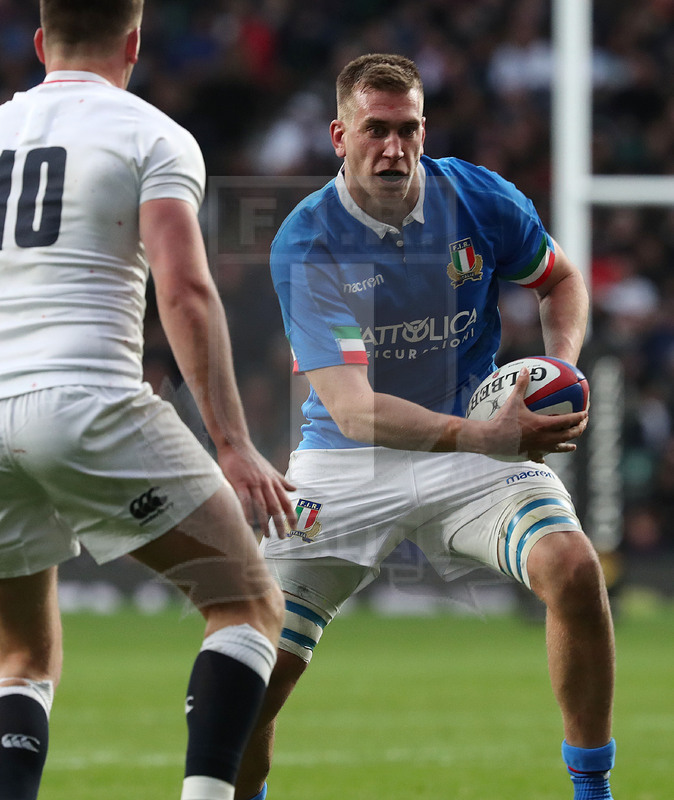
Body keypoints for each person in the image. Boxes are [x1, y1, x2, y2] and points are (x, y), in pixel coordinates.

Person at [235, 54, 617, 800]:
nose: (394, 148)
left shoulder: (478, 199)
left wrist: (558, 371)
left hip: (475, 445)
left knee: (574, 570)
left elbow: (561, 281)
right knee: (250, 678)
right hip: (348, 460)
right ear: (340, 135)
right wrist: (486, 437)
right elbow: (353, 410)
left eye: (408, 129)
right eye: (376, 130)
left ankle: (593, 792)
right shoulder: (308, 241)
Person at [0, 2, 298, 799]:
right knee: (247, 604)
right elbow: (186, 289)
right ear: (133, 42)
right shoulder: (150, 135)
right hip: (84, 399)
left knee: (19, 659)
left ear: (40, 42)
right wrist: (232, 443)